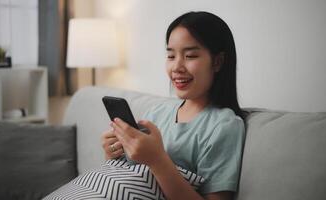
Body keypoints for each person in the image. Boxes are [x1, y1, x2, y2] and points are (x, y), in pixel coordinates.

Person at [101, 11, 246, 200]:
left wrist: (157, 160)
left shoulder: (224, 126)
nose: (177, 67)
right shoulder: (157, 113)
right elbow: (126, 179)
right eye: (170, 56)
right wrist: (112, 154)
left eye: (190, 56)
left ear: (217, 62)